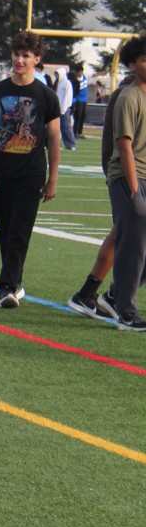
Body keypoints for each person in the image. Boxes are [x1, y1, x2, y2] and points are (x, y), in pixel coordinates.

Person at [0, 30, 61, 309]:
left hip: (31, 174)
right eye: (16, 54)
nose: (19, 60)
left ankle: (7, 287)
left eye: (26, 55)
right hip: (0, 172)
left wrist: (53, 178)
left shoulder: (46, 95)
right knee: (4, 229)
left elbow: (54, 138)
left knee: (19, 230)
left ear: (37, 59)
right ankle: (15, 282)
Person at [67, 71, 135, 319]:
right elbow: (119, 143)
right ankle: (108, 295)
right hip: (130, 174)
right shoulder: (129, 92)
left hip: (129, 172)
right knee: (125, 233)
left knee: (124, 233)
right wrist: (125, 181)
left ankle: (100, 294)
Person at [104, 33, 146, 330]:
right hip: (128, 177)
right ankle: (126, 312)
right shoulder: (129, 96)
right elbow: (124, 145)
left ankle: (115, 295)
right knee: (133, 244)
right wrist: (133, 191)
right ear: (132, 65)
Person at [56, 64, 77, 151]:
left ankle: (71, 144)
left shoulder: (67, 83)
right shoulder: (57, 83)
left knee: (66, 126)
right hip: (57, 108)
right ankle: (57, 144)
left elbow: (67, 97)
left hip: (64, 109)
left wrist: (63, 108)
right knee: (56, 127)